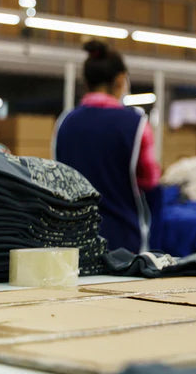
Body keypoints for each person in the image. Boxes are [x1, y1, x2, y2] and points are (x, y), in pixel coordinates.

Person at [53, 40, 161, 252]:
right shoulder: (136, 124)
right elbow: (149, 180)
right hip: (123, 237)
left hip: (73, 237)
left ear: (86, 82)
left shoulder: (64, 122)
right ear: (121, 80)